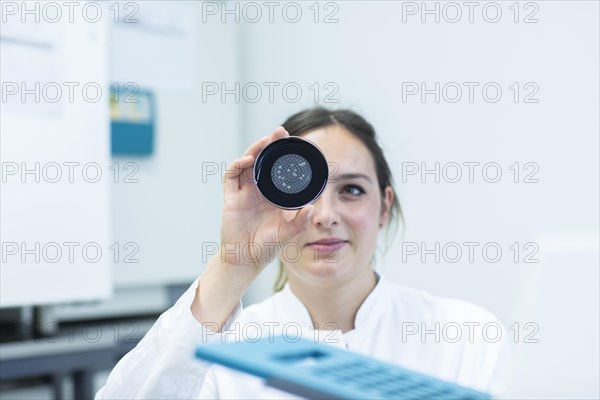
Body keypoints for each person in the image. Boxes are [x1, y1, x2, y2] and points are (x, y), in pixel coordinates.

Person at [95, 108, 510, 399]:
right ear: (271, 200)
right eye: (304, 192)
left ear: (384, 206)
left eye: (351, 190)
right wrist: (233, 262)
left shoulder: (465, 336)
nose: (325, 215)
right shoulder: (225, 351)